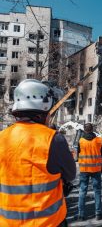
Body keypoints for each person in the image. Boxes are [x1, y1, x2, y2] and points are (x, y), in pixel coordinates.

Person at [0, 79, 76, 227]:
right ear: (44, 111)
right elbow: (70, 175)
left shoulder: (2, 137)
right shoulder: (53, 139)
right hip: (47, 223)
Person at [78, 123, 102, 221]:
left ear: (84, 130)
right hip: (96, 169)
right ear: (92, 129)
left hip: (84, 169)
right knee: (97, 191)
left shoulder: (80, 141)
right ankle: (98, 213)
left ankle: (81, 215)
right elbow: (101, 155)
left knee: (82, 191)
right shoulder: (98, 140)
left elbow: (78, 155)